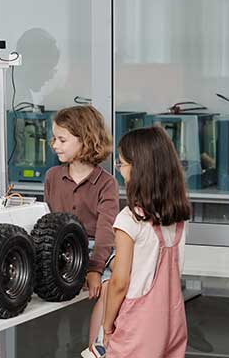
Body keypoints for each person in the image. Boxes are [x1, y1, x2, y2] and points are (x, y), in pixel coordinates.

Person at [103, 126, 190, 357]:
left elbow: (120, 282)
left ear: (139, 168)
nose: (120, 170)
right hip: (173, 319)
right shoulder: (179, 217)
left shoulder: (130, 219)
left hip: (138, 324)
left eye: (121, 164)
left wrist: (106, 323)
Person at [42, 105, 119, 357]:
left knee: (108, 286)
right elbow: (47, 222)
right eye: (54, 138)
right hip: (61, 250)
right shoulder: (52, 176)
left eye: (62, 139)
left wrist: (95, 269)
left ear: (86, 141)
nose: (55, 145)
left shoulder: (106, 183)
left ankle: (95, 349)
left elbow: (107, 231)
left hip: (97, 251)